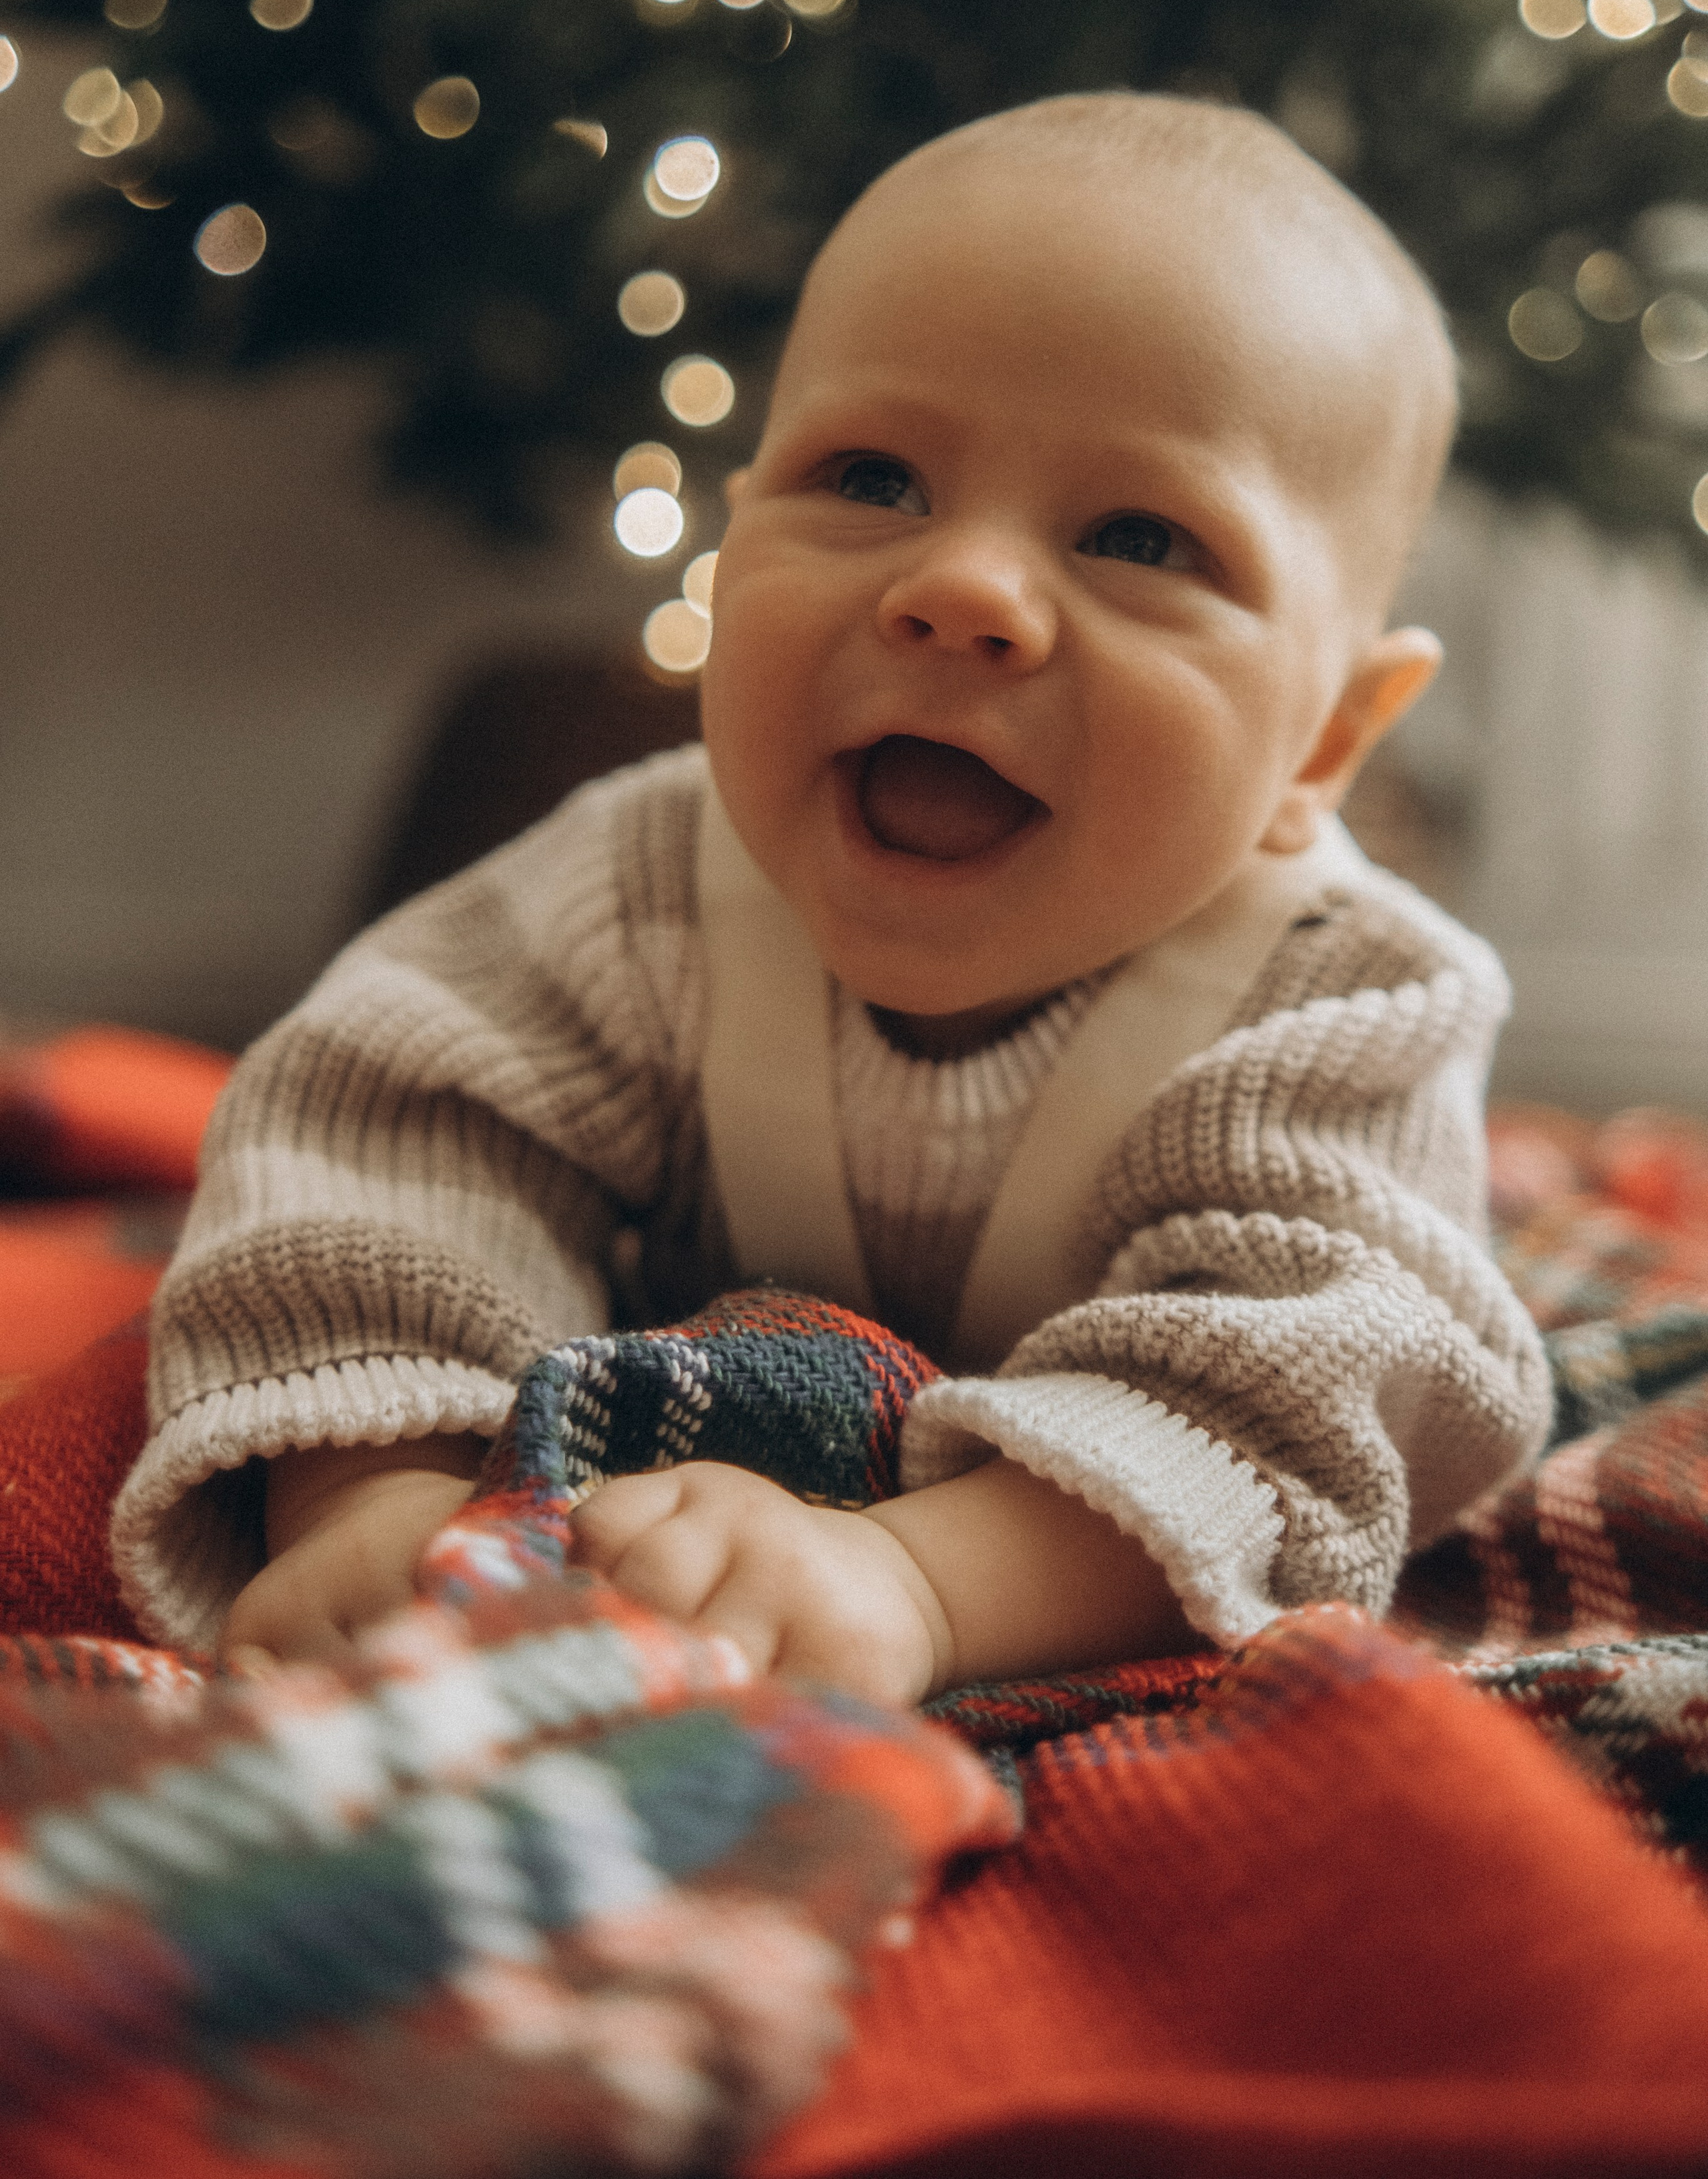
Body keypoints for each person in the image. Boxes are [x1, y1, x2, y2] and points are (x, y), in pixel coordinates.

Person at [113, 93, 1553, 1699]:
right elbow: (377, 1150)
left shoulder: (1332, 1005)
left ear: (1328, 738)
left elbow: (1312, 1405)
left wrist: (914, 1584)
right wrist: (377, 1495)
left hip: (1037, 1514)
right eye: (871, 478)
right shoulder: (635, 883)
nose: (959, 591)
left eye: (1137, 534)